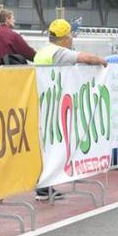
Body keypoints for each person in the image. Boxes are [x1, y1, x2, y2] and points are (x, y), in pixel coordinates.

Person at [33, 19, 107, 200]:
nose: (72, 38)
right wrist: (102, 62)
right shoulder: (59, 52)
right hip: (55, 105)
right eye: (70, 35)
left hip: (44, 103)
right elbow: (85, 58)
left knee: (47, 147)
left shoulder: (42, 51)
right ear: (65, 38)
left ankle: (46, 184)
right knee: (54, 146)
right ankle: (44, 186)